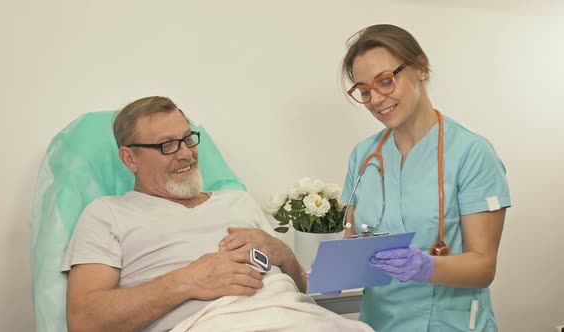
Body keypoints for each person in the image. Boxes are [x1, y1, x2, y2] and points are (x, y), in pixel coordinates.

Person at [61, 96, 372, 332]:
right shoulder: (107, 214)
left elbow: (302, 288)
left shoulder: (238, 201)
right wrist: (186, 281)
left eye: (187, 138)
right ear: (130, 158)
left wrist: (283, 254)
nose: (185, 153)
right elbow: (84, 319)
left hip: (302, 319)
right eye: (167, 145)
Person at [340, 24, 510, 331]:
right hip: (378, 323)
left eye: (386, 82)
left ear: (420, 67)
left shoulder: (471, 152)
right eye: (365, 91)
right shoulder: (363, 156)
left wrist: (425, 266)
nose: (377, 100)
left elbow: (484, 266)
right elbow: (351, 242)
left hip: (448, 323)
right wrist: (332, 270)